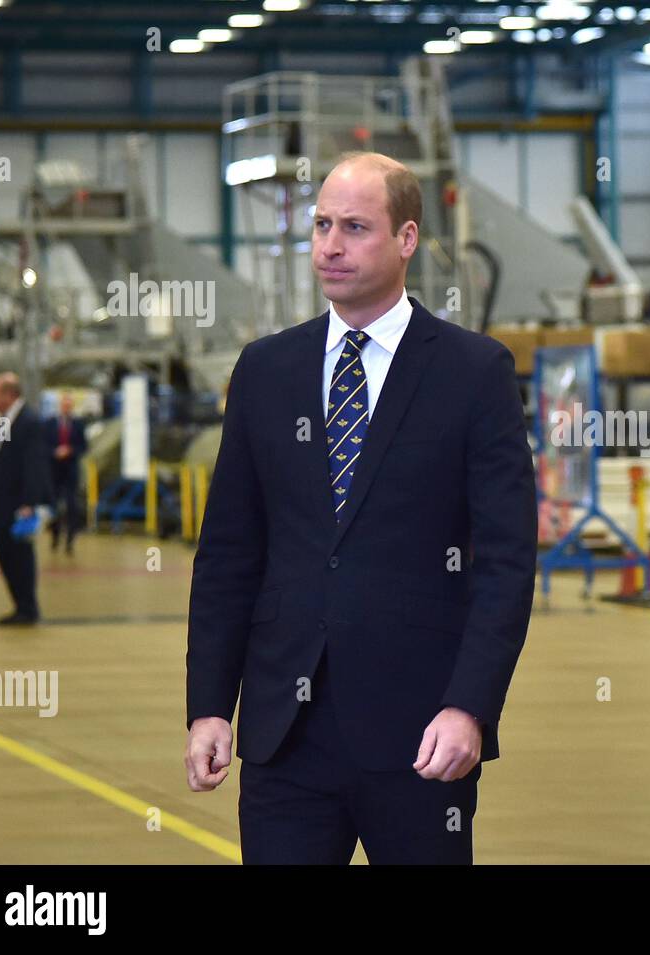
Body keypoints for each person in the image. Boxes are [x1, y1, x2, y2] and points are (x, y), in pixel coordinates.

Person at [184, 152, 538, 864]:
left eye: (354, 227)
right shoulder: (265, 370)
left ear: (407, 239)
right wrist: (210, 704)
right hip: (285, 736)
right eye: (320, 225)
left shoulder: (473, 372)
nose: (330, 246)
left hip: (421, 734)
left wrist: (470, 706)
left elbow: (505, 561)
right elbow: (229, 553)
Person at [0, 371, 49, 625]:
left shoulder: (28, 422)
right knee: (2, 549)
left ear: (9, 394)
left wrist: (29, 503)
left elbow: (34, 464)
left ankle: (27, 608)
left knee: (19, 554)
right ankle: (20, 605)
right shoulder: (5, 420)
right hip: (2, 503)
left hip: (17, 504)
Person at [44, 392, 87, 555]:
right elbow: (43, 446)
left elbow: (83, 446)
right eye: (64, 404)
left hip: (70, 471)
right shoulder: (49, 424)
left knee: (72, 506)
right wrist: (54, 452)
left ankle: (70, 540)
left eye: (69, 405)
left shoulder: (78, 424)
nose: (66, 407)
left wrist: (70, 451)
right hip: (54, 471)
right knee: (53, 506)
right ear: (60, 406)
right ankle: (55, 536)